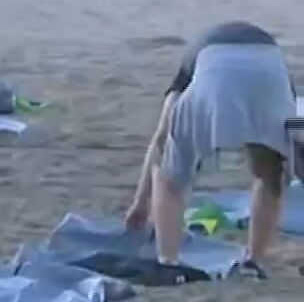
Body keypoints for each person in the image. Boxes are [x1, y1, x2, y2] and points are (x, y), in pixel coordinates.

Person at [125, 21, 296, 276]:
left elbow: (162, 136)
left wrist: (141, 202)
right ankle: (253, 262)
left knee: (170, 178)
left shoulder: (186, 73)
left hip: (215, 64)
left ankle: (168, 262)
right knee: (270, 173)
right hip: (269, 66)